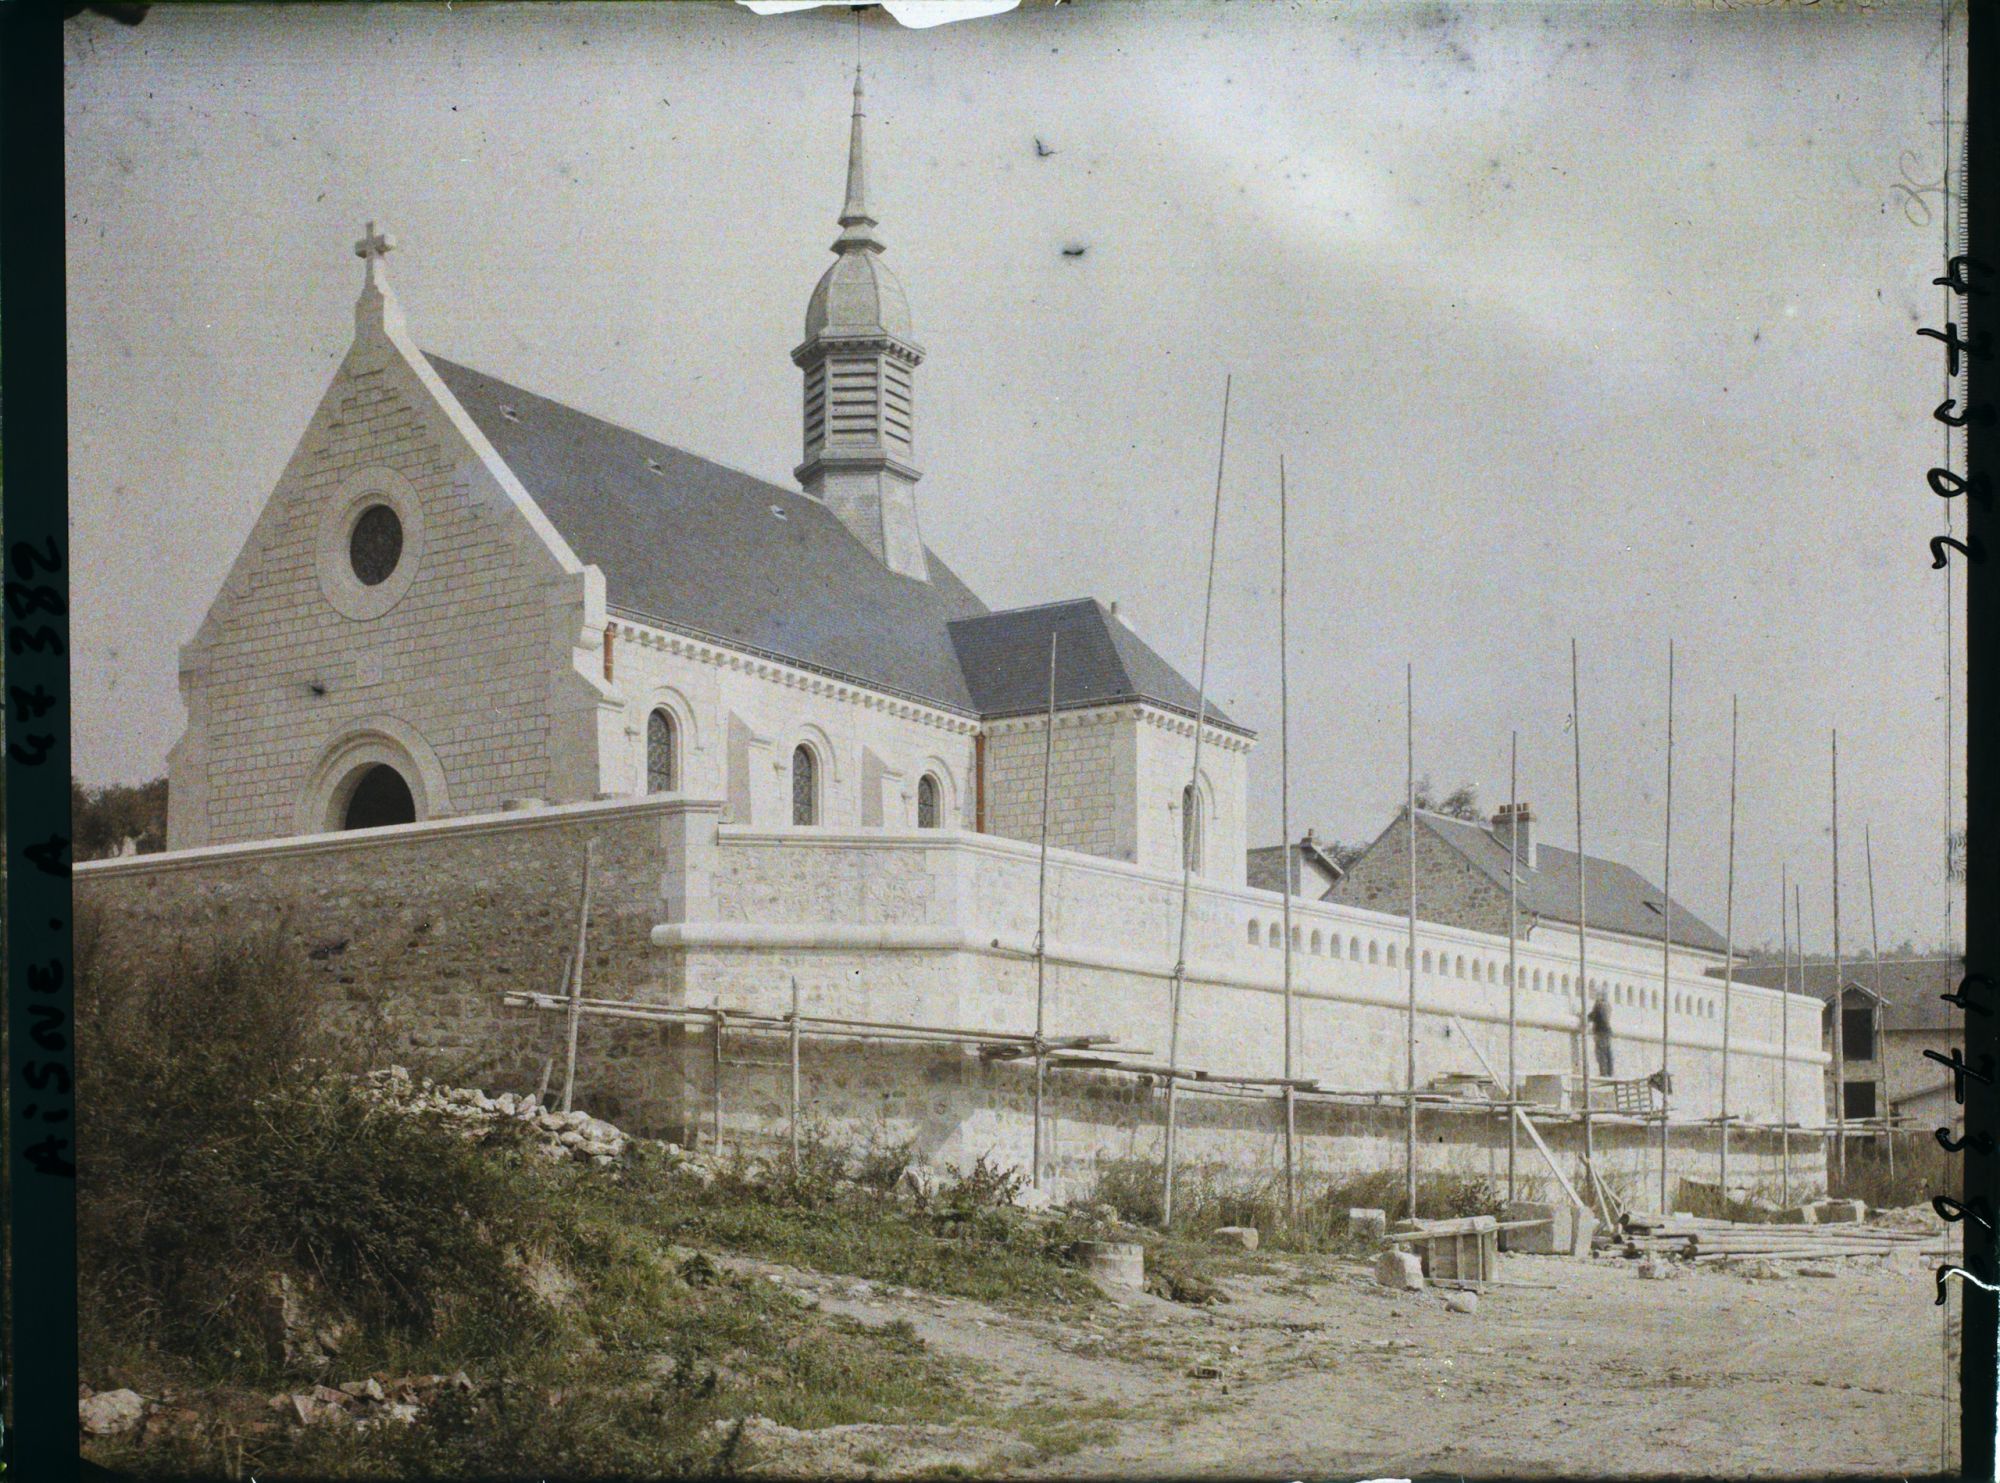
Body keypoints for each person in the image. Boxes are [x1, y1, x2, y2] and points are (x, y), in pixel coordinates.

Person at [1588, 991, 1614, 1077]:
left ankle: (1603, 1073)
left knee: (1601, 1053)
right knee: (1608, 1052)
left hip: (1600, 1032)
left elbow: (1592, 1016)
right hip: (1608, 1032)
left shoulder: (1598, 1005)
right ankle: (1610, 1073)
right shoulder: (1608, 1005)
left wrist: (1582, 1016)